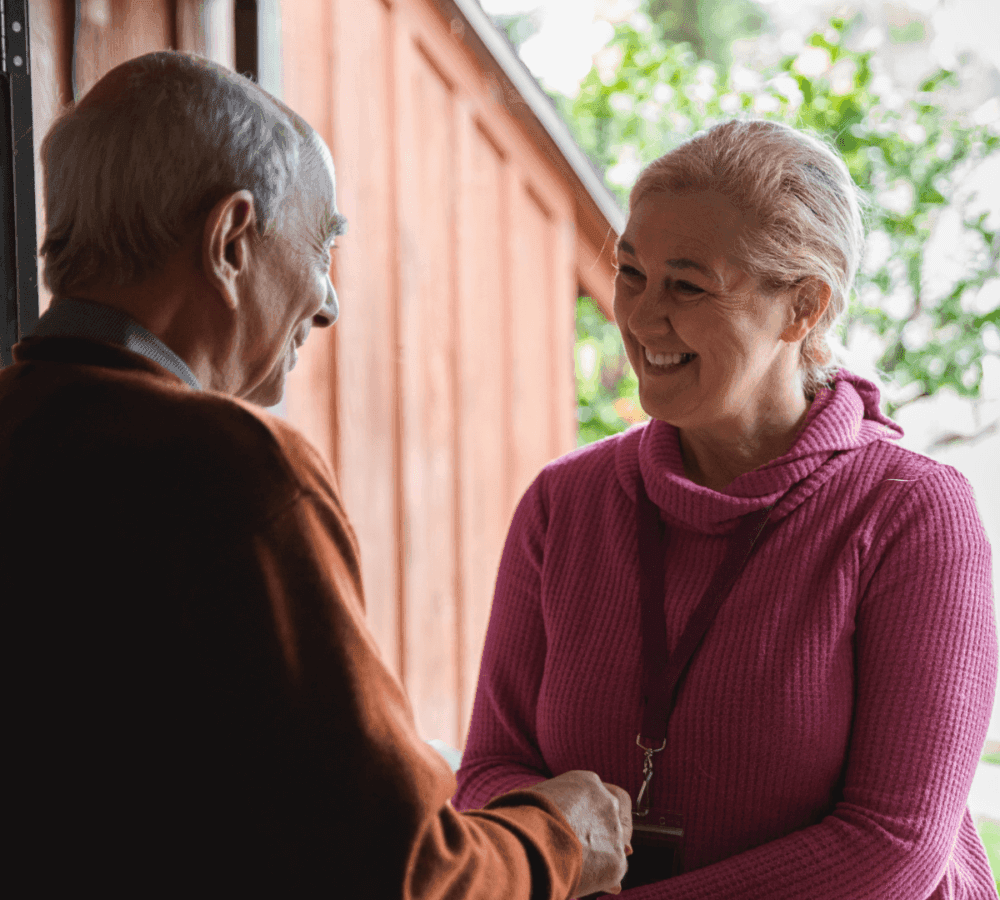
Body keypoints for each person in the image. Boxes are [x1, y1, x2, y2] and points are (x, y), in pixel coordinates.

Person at [0, 51, 633, 897]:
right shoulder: (230, 471)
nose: (329, 302)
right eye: (321, 246)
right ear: (230, 240)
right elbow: (402, 873)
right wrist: (560, 837)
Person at [453, 119, 998, 898]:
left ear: (804, 308)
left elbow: (893, 848)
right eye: (632, 273)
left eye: (687, 285)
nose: (640, 320)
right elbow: (489, 773)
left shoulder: (911, 515)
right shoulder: (562, 503)